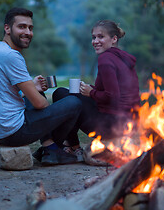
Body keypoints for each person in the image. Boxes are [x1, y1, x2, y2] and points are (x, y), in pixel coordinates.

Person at [0, 7, 82, 165]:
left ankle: (49, 148)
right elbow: (40, 104)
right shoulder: (11, 56)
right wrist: (37, 95)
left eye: (30, 28)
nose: (28, 32)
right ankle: (54, 151)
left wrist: (32, 88)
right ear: (7, 28)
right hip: (11, 132)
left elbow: (3, 95)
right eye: (21, 26)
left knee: (33, 96)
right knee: (74, 103)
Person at [53, 20, 140, 161]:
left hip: (110, 125)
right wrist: (90, 89)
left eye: (101, 37)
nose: (95, 41)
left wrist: (91, 93)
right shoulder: (122, 58)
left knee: (61, 94)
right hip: (127, 124)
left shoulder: (105, 59)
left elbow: (113, 96)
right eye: (94, 37)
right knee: (70, 95)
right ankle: (70, 145)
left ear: (114, 39)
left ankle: (74, 148)